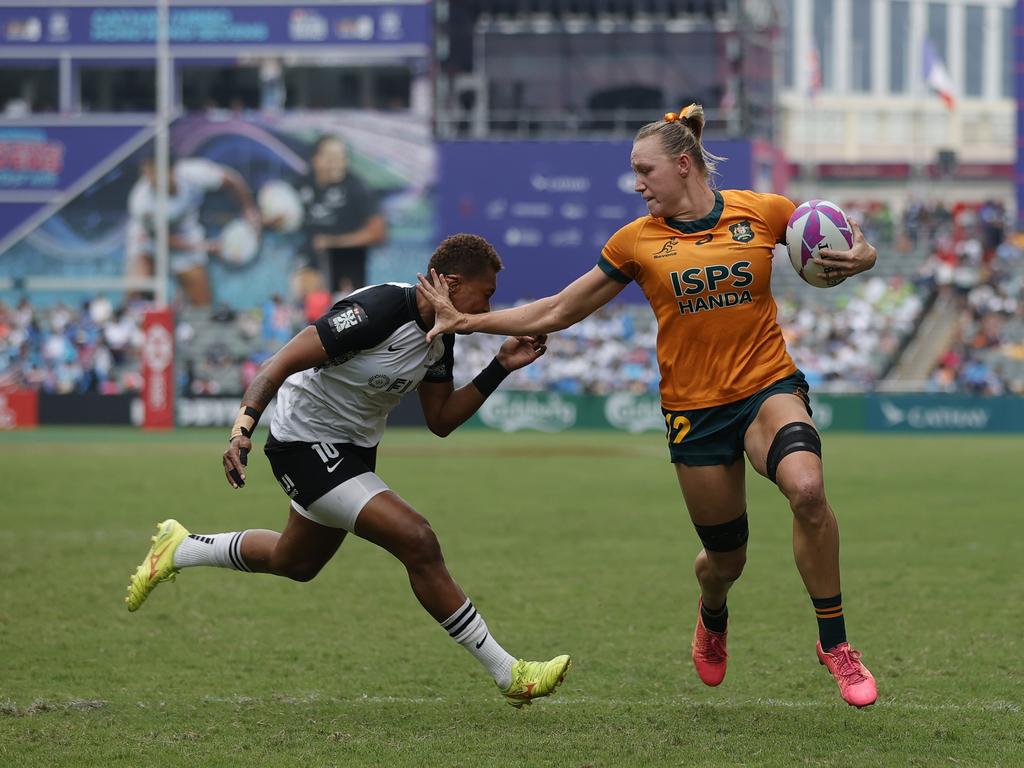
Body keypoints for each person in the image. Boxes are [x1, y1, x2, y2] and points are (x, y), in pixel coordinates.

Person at [416, 104, 880, 708]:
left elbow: (840, 232)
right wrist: (469, 321)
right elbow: (558, 310)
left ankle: (835, 644)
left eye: (644, 170)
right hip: (694, 412)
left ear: (682, 165)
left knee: (808, 489)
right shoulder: (635, 242)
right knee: (725, 560)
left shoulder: (759, 210)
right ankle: (712, 614)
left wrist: (863, 255)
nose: (637, 184)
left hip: (768, 387)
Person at [124, 233, 570, 708]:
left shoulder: (440, 341)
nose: (489, 306)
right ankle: (510, 674)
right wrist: (242, 428)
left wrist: (500, 366)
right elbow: (279, 363)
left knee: (295, 562)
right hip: (302, 442)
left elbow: (440, 421)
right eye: (487, 293)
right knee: (417, 539)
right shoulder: (378, 310)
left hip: (354, 451)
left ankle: (182, 547)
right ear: (452, 284)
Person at [126, 155, 261, 306]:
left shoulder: (193, 173)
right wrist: (207, 246)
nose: (151, 179)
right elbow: (163, 239)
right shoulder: (141, 202)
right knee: (136, 291)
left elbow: (231, 180)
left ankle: (182, 302)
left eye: (156, 172)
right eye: (147, 174)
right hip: (149, 241)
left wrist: (248, 209)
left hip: (186, 232)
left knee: (203, 304)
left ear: (172, 170)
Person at [291, 135, 387, 299]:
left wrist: (333, 242)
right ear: (315, 160)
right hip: (311, 255)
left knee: (344, 309)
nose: (337, 163)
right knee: (306, 292)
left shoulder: (357, 188)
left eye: (341, 158)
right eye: (330, 157)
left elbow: (378, 233)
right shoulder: (300, 184)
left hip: (347, 257)